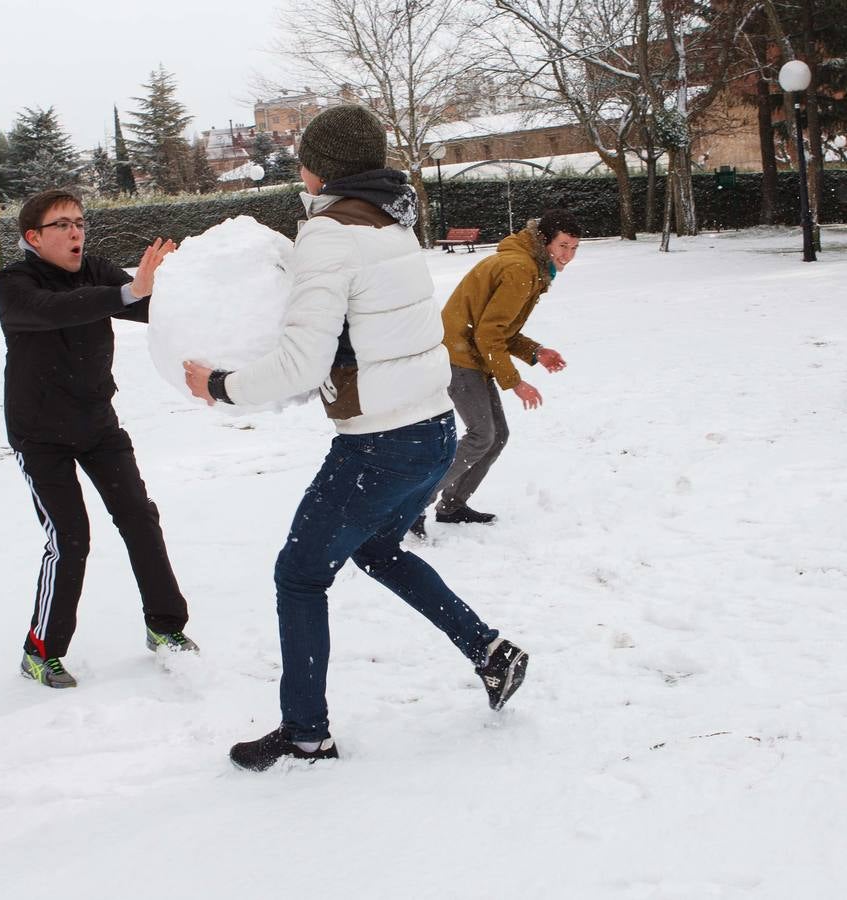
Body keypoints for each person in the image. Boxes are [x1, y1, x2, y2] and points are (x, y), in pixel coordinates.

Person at [183, 105, 528, 772]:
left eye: (304, 159)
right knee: (375, 548)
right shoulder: (388, 222)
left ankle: (305, 734)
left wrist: (219, 385)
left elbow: (301, 363)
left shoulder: (331, 234)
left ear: (322, 166)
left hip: (379, 445)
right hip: (431, 430)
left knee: (299, 575)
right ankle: (490, 654)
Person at [0, 189, 196, 689]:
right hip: (40, 435)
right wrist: (130, 292)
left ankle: (165, 626)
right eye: (62, 224)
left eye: (80, 222)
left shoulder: (96, 271)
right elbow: (54, 310)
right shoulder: (15, 283)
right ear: (33, 238)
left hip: (97, 424)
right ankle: (40, 650)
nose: (75, 231)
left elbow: (144, 308)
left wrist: (173, 286)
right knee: (70, 538)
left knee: (139, 517)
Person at [411, 209, 581, 538]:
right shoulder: (520, 268)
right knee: (481, 436)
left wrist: (536, 352)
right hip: (459, 355)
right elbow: (487, 335)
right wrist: (515, 383)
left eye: (574, 247)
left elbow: (497, 330)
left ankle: (452, 505)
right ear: (545, 241)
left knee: (495, 436)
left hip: (471, 352)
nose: (568, 255)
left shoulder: (529, 265)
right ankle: (415, 503)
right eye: (563, 245)